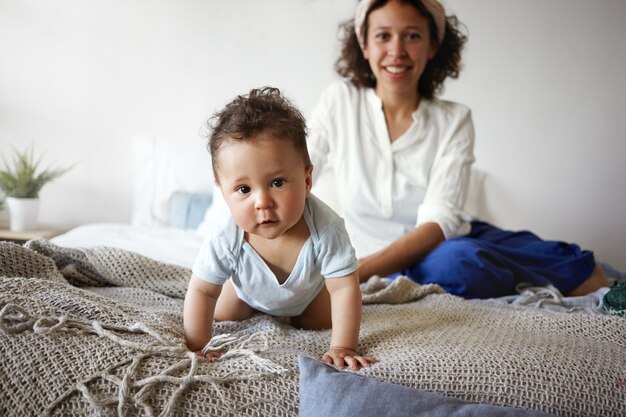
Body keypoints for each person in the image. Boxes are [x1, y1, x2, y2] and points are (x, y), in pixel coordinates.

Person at [307, 0, 609, 299]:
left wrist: (353, 273)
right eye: (383, 36)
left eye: (412, 36)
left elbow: (440, 221)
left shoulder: (455, 118)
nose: (396, 51)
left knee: (569, 261)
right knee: (462, 264)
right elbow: (298, 173)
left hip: (442, 241)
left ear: (433, 45)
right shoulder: (339, 101)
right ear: (365, 45)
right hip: (431, 257)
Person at [184, 87, 376, 370]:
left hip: (308, 296)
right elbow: (202, 291)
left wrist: (343, 346)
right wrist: (197, 347)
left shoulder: (326, 227)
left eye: (277, 183)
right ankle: (246, 301)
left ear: (307, 179)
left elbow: (344, 288)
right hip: (245, 292)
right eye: (243, 189)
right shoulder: (225, 235)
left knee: (322, 320)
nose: (262, 202)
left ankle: (300, 314)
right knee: (223, 311)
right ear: (223, 193)